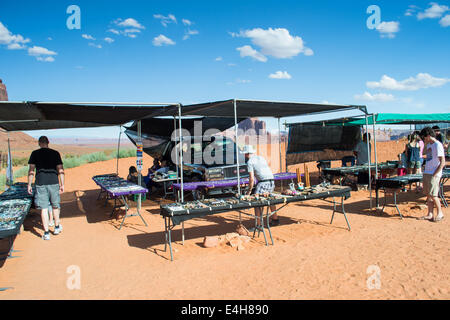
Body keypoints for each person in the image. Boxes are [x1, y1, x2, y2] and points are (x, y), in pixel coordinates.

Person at [27, 136, 64, 240]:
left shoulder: (35, 153)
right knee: (55, 206)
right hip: (54, 182)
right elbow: (60, 170)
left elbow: (31, 171)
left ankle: (46, 233)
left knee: (44, 208)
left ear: (39, 143)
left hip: (40, 183)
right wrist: (62, 184)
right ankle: (56, 227)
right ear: (48, 142)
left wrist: (29, 184)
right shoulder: (55, 153)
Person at [243, 145, 279, 228]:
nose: (244, 155)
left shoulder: (249, 162)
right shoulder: (261, 158)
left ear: (247, 154)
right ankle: (275, 219)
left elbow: (251, 179)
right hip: (271, 180)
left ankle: (258, 225)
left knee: (257, 203)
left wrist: (249, 191)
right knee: (270, 199)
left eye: (244, 154)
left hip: (263, 182)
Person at [419, 127, 445, 222]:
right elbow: (425, 154)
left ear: (429, 136)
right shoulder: (430, 145)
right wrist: (426, 144)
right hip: (427, 172)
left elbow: (442, 162)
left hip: (433, 173)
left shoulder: (438, 145)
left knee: (434, 195)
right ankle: (430, 214)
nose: (423, 139)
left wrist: (435, 174)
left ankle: (440, 213)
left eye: (424, 137)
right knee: (429, 195)